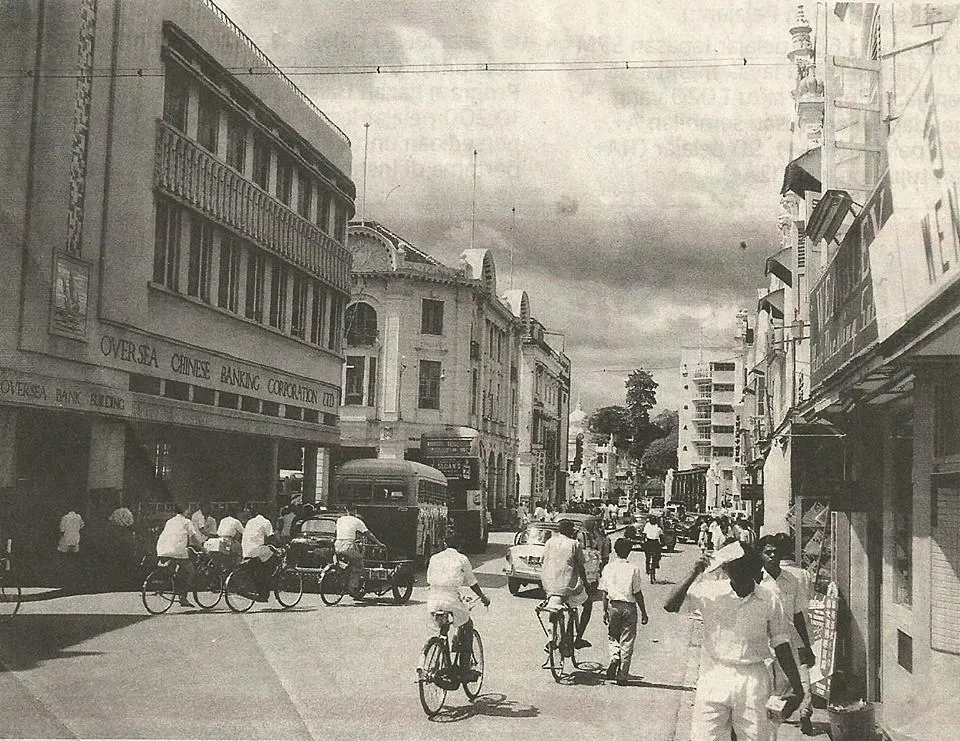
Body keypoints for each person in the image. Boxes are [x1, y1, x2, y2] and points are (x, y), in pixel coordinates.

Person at [664, 542, 805, 741]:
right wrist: (693, 573)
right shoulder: (710, 592)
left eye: (745, 569)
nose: (738, 576)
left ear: (755, 570)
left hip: (753, 679)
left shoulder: (769, 599)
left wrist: (797, 689)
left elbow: (781, 645)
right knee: (704, 737)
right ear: (727, 570)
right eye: (733, 569)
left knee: (757, 737)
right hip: (714, 675)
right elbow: (670, 605)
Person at [759, 534, 816, 735]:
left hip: (790, 644)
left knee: (799, 685)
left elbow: (799, 616)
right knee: (768, 692)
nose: (772, 556)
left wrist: (807, 646)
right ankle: (768, 727)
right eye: (768, 552)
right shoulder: (756, 581)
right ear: (761, 555)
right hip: (764, 646)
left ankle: (802, 715)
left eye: (776, 552)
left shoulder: (792, 580)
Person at [425, 531, 491, 680]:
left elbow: (430, 579)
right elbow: (472, 582)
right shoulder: (462, 559)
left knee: (443, 627)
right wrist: (483, 597)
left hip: (433, 599)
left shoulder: (434, 558)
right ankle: (464, 668)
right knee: (467, 626)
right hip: (451, 600)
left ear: (444, 544)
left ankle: (437, 660)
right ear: (460, 546)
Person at [599, 537, 649, 685]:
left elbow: (604, 591)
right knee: (627, 640)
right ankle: (622, 675)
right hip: (629, 607)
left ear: (615, 550)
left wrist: (604, 610)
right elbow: (637, 592)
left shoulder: (608, 568)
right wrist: (644, 612)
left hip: (613, 605)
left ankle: (614, 656)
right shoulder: (633, 568)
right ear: (629, 552)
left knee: (613, 635)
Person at [540, 518, 593, 648]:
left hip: (549, 586)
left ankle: (551, 639)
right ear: (570, 531)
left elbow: (543, 561)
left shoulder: (549, 542)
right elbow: (581, 567)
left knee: (554, 609)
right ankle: (579, 639)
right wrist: (586, 584)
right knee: (588, 604)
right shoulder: (574, 544)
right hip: (568, 588)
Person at [156, 504, 204, 607]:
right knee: (190, 571)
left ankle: (172, 583)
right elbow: (194, 539)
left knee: (176, 566)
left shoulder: (170, 521)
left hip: (162, 548)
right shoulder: (187, 522)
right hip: (176, 550)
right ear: (185, 511)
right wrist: (202, 548)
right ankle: (183, 597)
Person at [335, 503, 385, 599]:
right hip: (348, 545)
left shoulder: (340, 520)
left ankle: (344, 580)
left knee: (346, 564)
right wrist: (379, 543)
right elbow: (368, 534)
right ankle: (352, 588)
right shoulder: (357, 521)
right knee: (358, 565)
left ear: (346, 510)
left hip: (337, 545)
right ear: (355, 511)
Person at [242, 506, 279, 601]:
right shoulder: (266, 522)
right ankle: (264, 591)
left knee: (261, 563)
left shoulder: (250, 521)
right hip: (256, 550)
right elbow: (271, 537)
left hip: (246, 549)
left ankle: (259, 586)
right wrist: (280, 546)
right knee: (272, 557)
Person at [641, 515, 663, 583]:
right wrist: (662, 543)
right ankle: (656, 564)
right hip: (655, 543)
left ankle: (647, 569)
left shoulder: (647, 526)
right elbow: (661, 537)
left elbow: (644, 534)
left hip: (648, 543)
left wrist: (643, 541)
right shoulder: (658, 528)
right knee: (658, 555)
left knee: (647, 556)